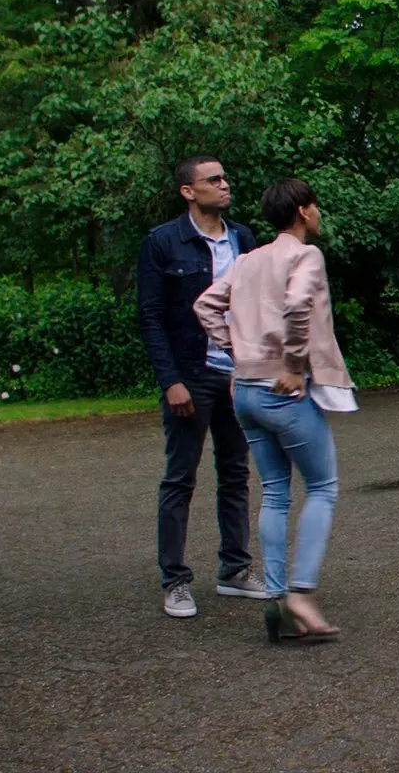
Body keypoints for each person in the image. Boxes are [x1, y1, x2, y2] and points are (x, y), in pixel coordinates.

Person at [193, 178, 353, 643]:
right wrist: (292, 364)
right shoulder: (305, 255)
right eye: (315, 206)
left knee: (275, 492)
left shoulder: (246, 260)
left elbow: (205, 306)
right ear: (303, 211)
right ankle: (301, 594)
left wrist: (237, 355)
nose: (318, 214)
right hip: (282, 390)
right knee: (322, 487)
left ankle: (279, 599)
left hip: (244, 392)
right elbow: (298, 304)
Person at [136, 156, 263, 618]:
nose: (224, 185)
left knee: (235, 473)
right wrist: (171, 380)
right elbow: (150, 317)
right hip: (190, 373)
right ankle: (175, 580)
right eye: (213, 179)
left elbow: (253, 307)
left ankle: (234, 570)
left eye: (224, 177)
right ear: (188, 191)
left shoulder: (243, 238)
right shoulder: (162, 242)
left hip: (235, 373)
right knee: (180, 477)